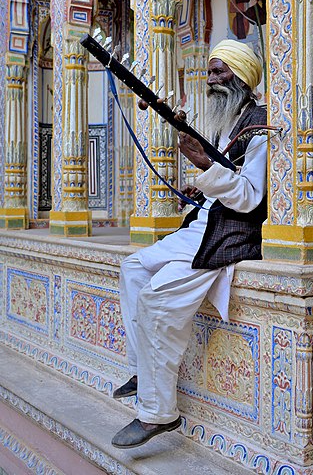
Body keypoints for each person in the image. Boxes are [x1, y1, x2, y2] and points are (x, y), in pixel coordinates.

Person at [111, 39, 268, 449]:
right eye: (211, 71)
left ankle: (158, 413)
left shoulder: (260, 124)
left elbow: (251, 196)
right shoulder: (224, 119)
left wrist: (204, 167)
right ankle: (141, 371)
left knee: (155, 299)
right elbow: (223, 178)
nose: (213, 79)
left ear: (243, 77)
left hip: (231, 233)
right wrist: (202, 188)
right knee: (132, 269)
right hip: (204, 222)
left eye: (221, 72)